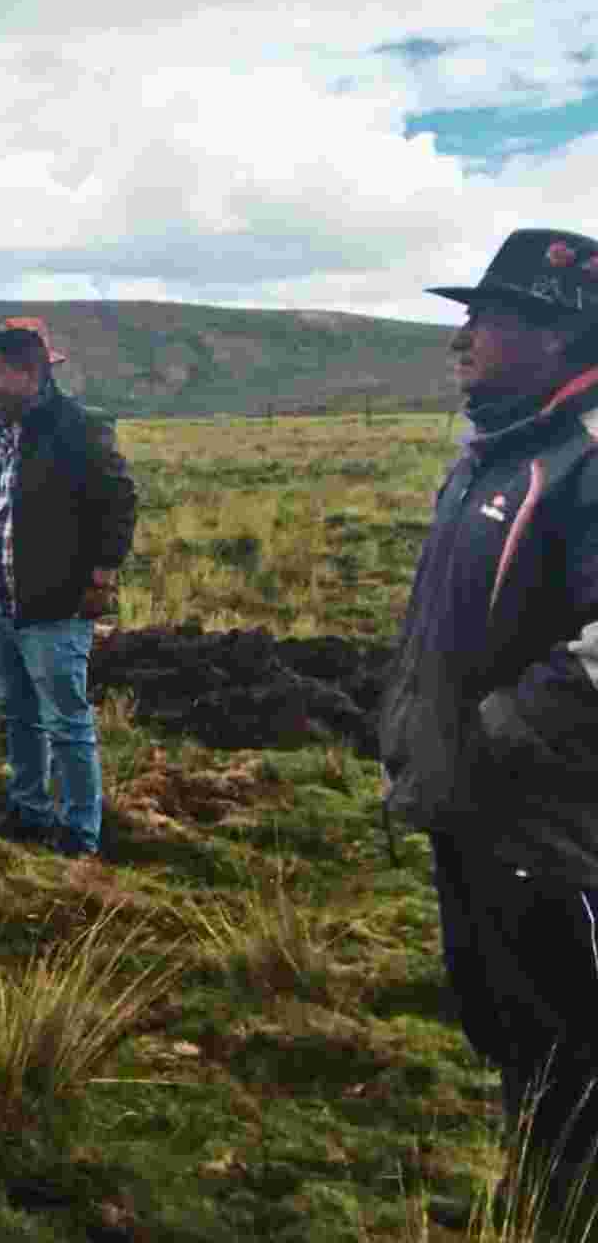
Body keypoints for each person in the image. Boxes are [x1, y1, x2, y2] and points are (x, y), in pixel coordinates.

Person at [380, 228, 598, 1202]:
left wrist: (503, 731)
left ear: (561, 332)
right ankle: (532, 1194)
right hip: (475, 806)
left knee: (570, 1039)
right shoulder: (494, 449)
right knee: (505, 1019)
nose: (460, 336)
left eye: (489, 316)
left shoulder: (583, 455)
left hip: (555, 827)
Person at [0, 323, 135, 860]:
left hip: (54, 602)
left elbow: (119, 498)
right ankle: (29, 809)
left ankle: (80, 833)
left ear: (30, 374)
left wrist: (102, 574)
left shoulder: (79, 427)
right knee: (17, 712)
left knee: (65, 718)